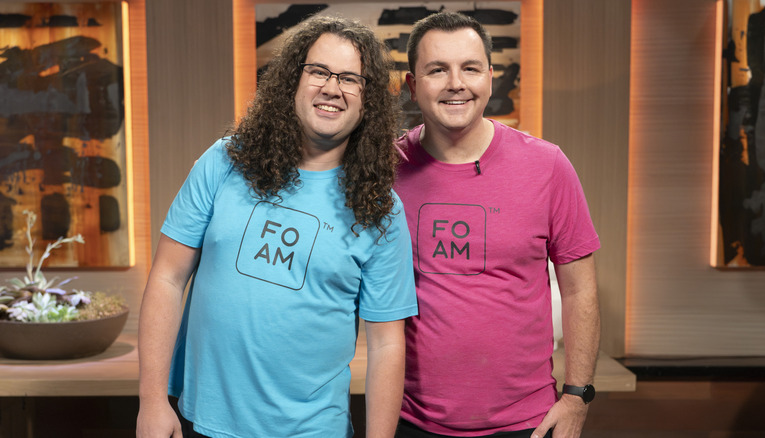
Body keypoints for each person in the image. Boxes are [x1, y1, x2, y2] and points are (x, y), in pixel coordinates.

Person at [136, 16, 418, 438]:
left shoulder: (381, 209)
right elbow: (167, 277)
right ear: (292, 80)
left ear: (368, 100)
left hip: (313, 429)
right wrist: (153, 402)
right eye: (318, 71)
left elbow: (386, 344)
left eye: (349, 79)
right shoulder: (225, 161)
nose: (331, 88)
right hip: (203, 420)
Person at [393, 11, 601, 438]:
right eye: (437, 70)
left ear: (490, 76)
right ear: (413, 86)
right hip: (412, 419)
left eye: (470, 68)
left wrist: (577, 397)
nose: (457, 83)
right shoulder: (385, 170)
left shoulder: (547, 165)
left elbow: (580, 289)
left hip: (527, 423)